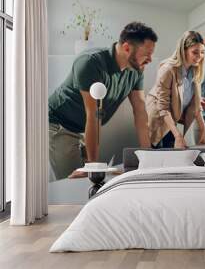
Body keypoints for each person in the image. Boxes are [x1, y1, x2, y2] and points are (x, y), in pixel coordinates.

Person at [49, 22, 157, 180]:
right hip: (60, 125)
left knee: (92, 180)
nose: (150, 59)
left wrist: (149, 157)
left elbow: (140, 112)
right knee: (74, 180)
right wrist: (92, 167)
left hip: (84, 126)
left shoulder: (136, 69)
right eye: (147, 54)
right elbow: (93, 115)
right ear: (127, 48)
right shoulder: (90, 62)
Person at [147, 31, 205, 148]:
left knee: (173, 154)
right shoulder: (167, 70)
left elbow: (196, 104)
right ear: (183, 50)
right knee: (157, 157)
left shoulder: (194, 70)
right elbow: (163, 108)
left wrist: (203, 129)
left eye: (202, 52)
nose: (199, 57)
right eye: (195, 52)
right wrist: (178, 136)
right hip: (158, 118)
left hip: (171, 118)